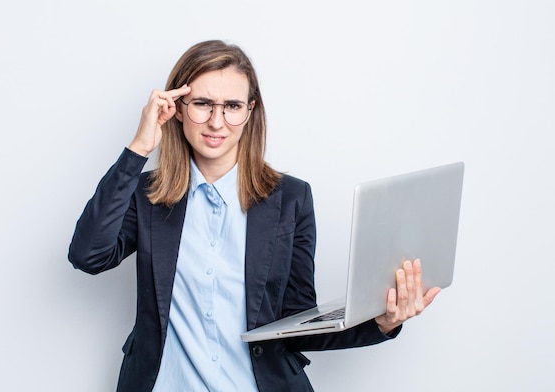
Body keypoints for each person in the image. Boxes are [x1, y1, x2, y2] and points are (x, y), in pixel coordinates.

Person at [68, 39, 440, 392]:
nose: (217, 122)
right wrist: (139, 147)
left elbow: (298, 322)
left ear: (251, 110)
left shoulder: (292, 199)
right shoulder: (147, 194)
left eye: (231, 106)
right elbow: (88, 256)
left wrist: (382, 321)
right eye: (202, 103)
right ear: (177, 109)